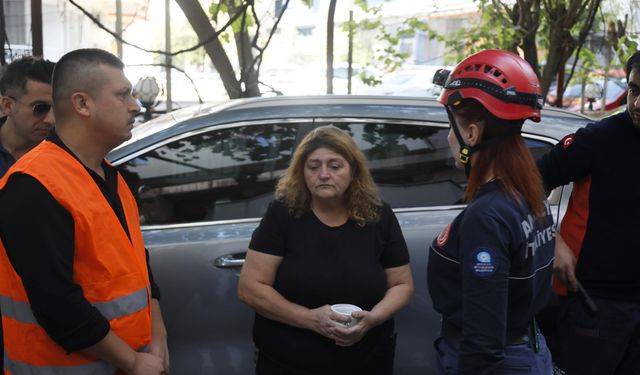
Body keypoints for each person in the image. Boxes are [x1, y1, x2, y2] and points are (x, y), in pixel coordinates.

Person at [0, 49, 169, 374]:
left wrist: (158, 335)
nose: (135, 105)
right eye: (123, 95)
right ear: (82, 104)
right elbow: (57, 304)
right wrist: (133, 361)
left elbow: (137, 264)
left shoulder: (110, 175)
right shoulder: (32, 185)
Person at [237, 125, 414, 375]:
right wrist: (310, 319)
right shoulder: (283, 214)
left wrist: (371, 319)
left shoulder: (379, 215)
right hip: (290, 360)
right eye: (313, 166)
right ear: (302, 172)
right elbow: (250, 289)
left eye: (335, 166)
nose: (323, 174)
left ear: (353, 171)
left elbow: (402, 285)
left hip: (367, 358)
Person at [427, 49, 555, 374]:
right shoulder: (528, 191)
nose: (448, 138)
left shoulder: (488, 216)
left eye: (452, 127)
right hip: (527, 348)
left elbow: (483, 344)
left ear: (471, 133)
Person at [536, 50, 640, 375]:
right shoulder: (599, 139)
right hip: (594, 307)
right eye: (635, 91)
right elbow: (524, 184)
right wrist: (550, 239)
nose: (638, 104)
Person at [0, 55, 55, 176]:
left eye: (57, 109)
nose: (51, 120)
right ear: (8, 106)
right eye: (40, 108)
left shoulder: (66, 154)